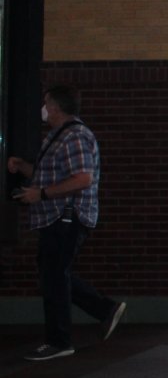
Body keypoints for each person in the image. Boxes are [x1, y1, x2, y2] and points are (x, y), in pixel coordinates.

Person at [7, 86, 125, 361]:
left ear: (57, 107)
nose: (43, 107)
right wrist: (24, 167)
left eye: (46, 102)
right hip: (58, 216)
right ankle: (103, 310)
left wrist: (42, 194)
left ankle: (60, 339)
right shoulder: (58, 136)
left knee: (54, 275)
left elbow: (83, 178)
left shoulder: (75, 136)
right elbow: (48, 174)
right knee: (54, 273)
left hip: (66, 216)